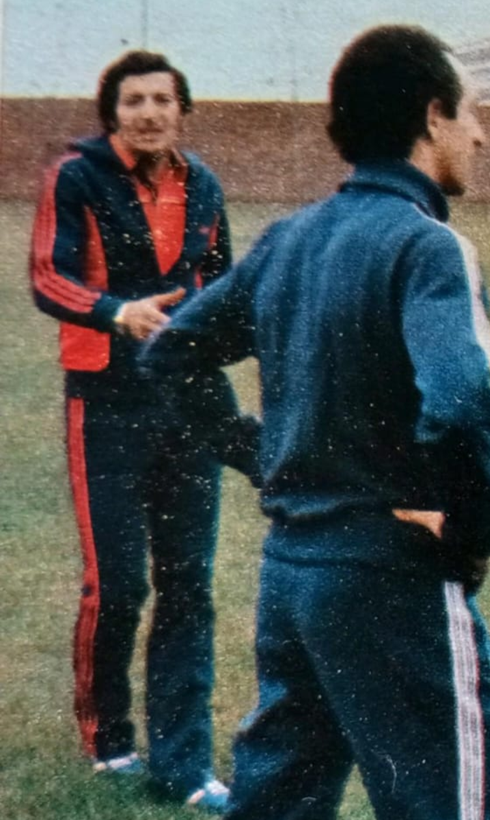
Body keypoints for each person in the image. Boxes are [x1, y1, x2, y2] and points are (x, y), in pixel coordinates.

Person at [142, 25, 490, 820]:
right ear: (433, 115)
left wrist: (256, 450)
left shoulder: (287, 240)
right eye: (473, 111)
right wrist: (472, 535)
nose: (481, 132)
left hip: (293, 579)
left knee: (276, 801)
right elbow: (460, 403)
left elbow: (169, 355)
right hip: (391, 577)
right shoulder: (429, 246)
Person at [28, 49, 244, 813]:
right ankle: (106, 733)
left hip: (183, 397)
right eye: (132, 101)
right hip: (104, 399)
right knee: (118, 583)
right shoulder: (77, 175)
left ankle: (184, 762)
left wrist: (206, 321)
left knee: (189, 581)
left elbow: (220, 280)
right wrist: (117, 313)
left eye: (161, 99)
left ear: (182, 107)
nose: (148, 113)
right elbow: (47, 277)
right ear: (111, 113)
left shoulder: (204, 184)